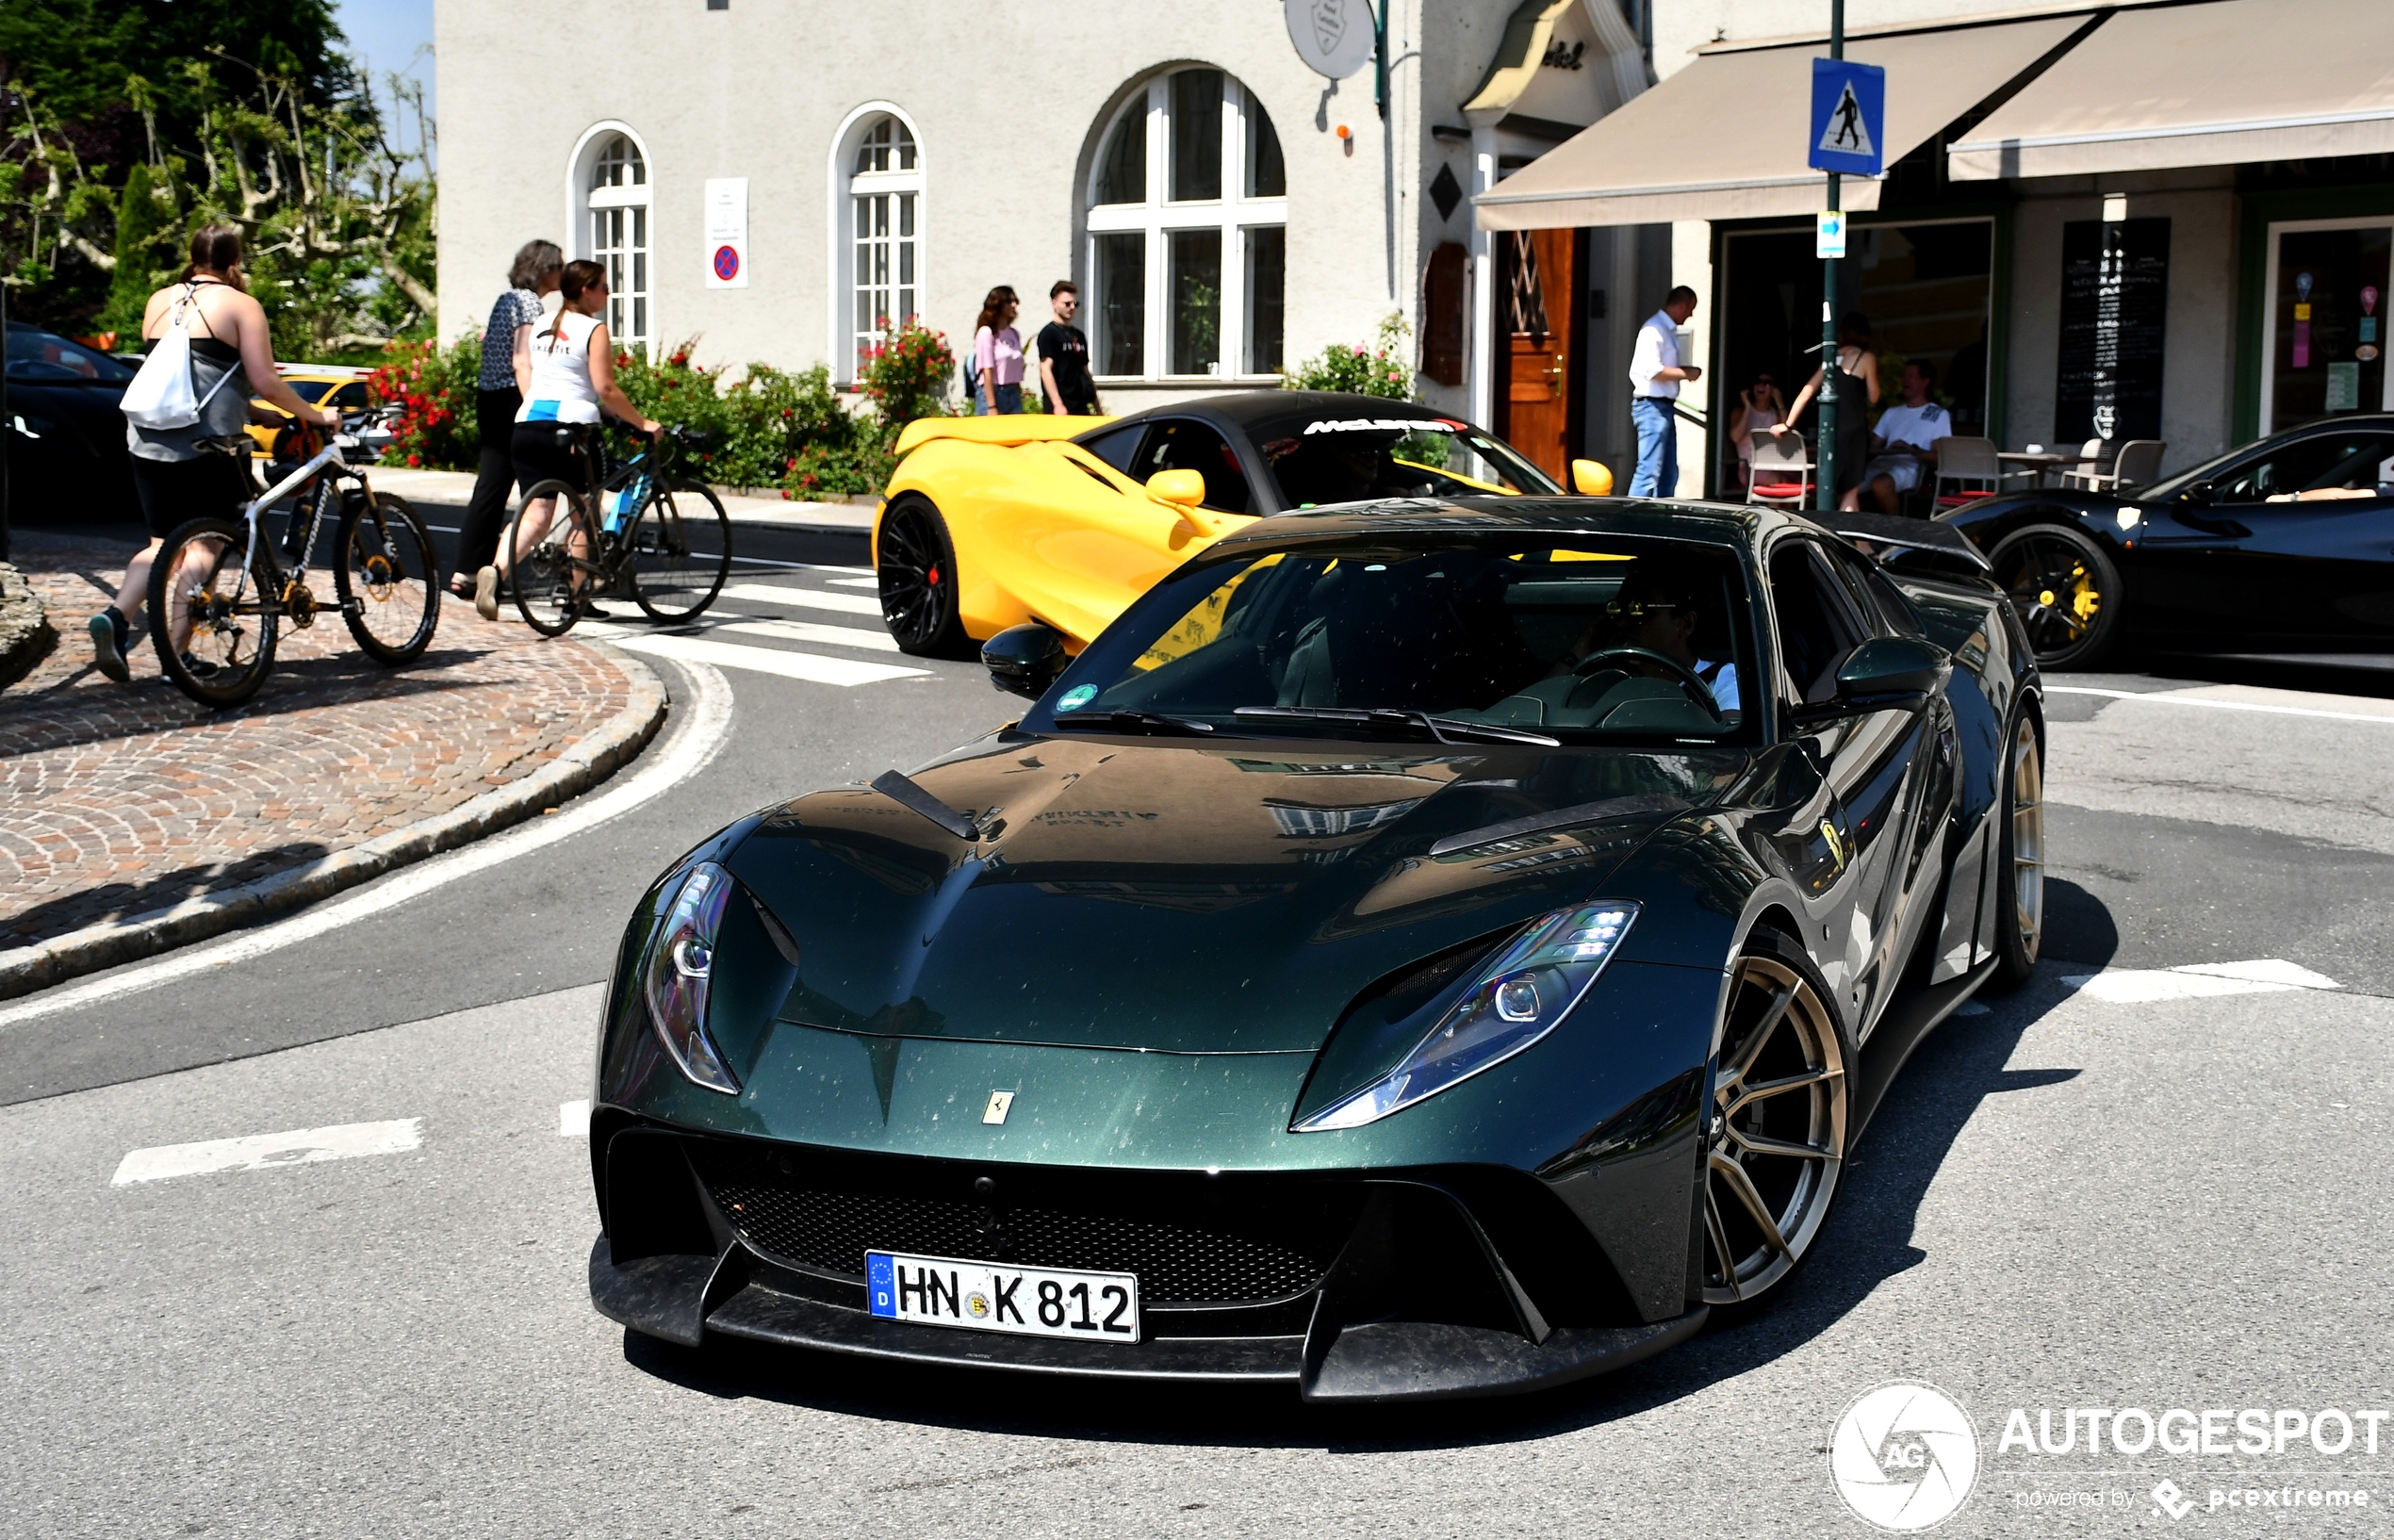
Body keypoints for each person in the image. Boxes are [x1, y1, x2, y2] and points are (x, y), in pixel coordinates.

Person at [90, 224, 341, 684]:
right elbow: (264, 378)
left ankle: (116, 616)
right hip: (207, 445)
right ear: (234, 262)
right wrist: (316, 416)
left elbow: (182, 379)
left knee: (161, 544)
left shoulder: (158, 300)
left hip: (146, 438)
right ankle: (177, 657)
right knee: (206, 544)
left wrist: (257, 415)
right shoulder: (242, 305)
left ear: (193, 257)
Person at [477, 259, 660, 621]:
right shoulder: (594, 329)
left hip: (528, 425)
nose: (608, 293)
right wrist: (642, 422)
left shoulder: (542, 322)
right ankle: (575, 597)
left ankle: (495, 572)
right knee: (584, 511)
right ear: (586, 291)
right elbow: (605, 387)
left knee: (536, 514)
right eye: (604, 287)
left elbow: (553, 377)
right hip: (572, 429)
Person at [450, 239, 563, 606]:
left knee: (492, 486)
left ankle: (470, 570)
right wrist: (533, 407)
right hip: (511, 397)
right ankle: (482, 570)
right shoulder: (528, 302)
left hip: (490, 397)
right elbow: (522, 360)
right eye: (557, 266)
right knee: (532, 489)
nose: (561, 272)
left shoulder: (506, 298)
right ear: (545, 269)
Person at [1773, 312, 1880, 512]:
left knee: (1833, 486)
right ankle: (1852, 539)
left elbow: (1807, 391)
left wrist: (1788, 423)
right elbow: (1874, 397)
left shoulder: (1830, 360)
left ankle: (1858, 542)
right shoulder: (1866, 358)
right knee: (1850, 490)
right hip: (1855, 428)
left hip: (1831, 429)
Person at [1627, 286, 1701, 498]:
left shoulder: (1666, 330)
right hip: (1651, 406)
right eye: (1690, 309)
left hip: (1663, 407)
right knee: (1648, 471)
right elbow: (1652, 370)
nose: (1690, 315)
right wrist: (1687, 373)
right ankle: (1631, 519)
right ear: (1681, 305)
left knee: (1668, 473)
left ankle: (1662, 520)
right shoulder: (1653, 330)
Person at [1861, 358, 1952, 516]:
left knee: (1881, 484)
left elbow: (1941, 457)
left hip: (1910, 467)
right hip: (1881, 463)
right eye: (1904, 376)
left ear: (1925, 382)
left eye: (1911, 376)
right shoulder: (1892, 412)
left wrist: (1911, 450)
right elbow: (1873, 446)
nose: (1905, 380)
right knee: (1845, 485)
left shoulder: (1938, 414)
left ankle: (1894, 531)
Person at [1037, 280, 1099, 416]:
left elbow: (1085, 371)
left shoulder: (1079, 335)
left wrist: (1097, 407)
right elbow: (1046, 369)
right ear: (1054, 303)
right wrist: (1057, 404)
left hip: (1081, 405)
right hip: (1061, 406)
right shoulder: (1049, 333)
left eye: (1075, 304)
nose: (1071, 307)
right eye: (1067, 304)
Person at [1726, 372, 1785, 493]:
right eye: (1758, 382)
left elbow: (1790, 432)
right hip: (1749, 467)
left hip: (1775, 464)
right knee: (1780, 482)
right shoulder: (1739, 412)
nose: (1761, 386)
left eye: (1767, 383)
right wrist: (1748, 407)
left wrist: (1780, 403)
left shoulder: (1776, 414)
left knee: (1803, 480)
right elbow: (1735, 438)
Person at [972, 287, 1025, 416]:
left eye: (1015, 301)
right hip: (994, 392)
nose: (1014, 305)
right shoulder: (987, 333)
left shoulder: (1014, 334)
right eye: (1009, 301)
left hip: (1013, 392)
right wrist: (991, 406)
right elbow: (987, 370)